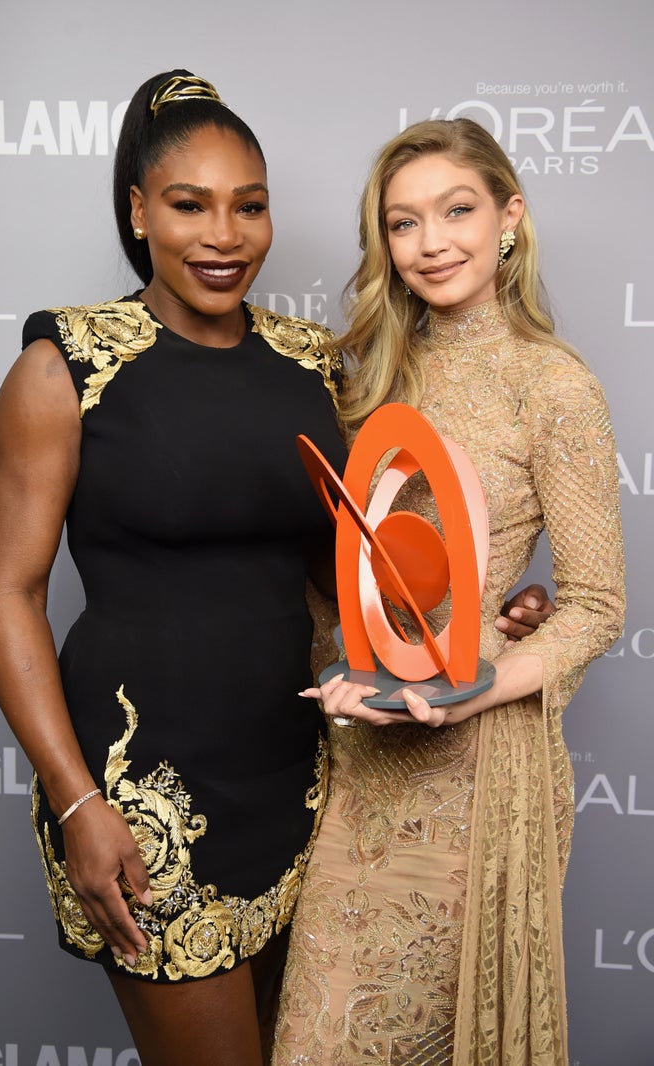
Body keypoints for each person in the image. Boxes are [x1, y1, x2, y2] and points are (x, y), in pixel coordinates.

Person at [0, 70, 552, 1065]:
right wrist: (77, 802)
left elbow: (356, 576)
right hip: (139, 795)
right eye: (189, 205)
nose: (223, 234)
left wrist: (490, 609)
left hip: (307, 791)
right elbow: (8, 594)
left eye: (250, 205)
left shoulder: (310, 363)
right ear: (138, 211)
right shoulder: (65, 362)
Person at [272, 118, 625, 1066]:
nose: (432, 243)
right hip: (365, 761)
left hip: (476, 780)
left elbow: (596, 603)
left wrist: (476, 675)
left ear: (509, 218)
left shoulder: (553, 385)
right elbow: (351, 574)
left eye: (457, 211)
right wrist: (348, 665)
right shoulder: (367, 379)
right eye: (403, 222)